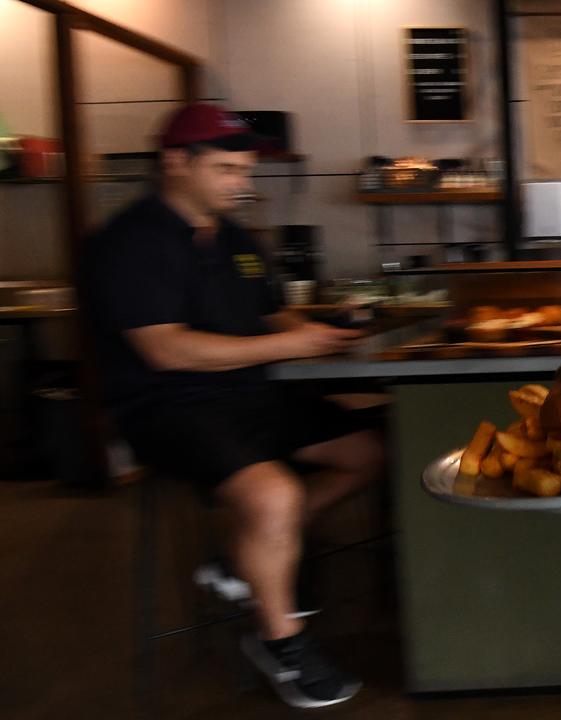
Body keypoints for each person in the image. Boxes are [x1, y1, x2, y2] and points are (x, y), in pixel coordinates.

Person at [86, 103, 382, 709]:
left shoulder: (239, 241)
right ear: (175, 163)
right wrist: (287, 343)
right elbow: (165, 350)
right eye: (226, 170)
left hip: (251, 395)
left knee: (368, 453)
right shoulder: (129, 243)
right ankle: (280, 643)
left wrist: (321, 332)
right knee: (274, 495)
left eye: (245, 170)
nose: (241, 184)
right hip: (168, 408)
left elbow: (270, 316)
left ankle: (237, 558)